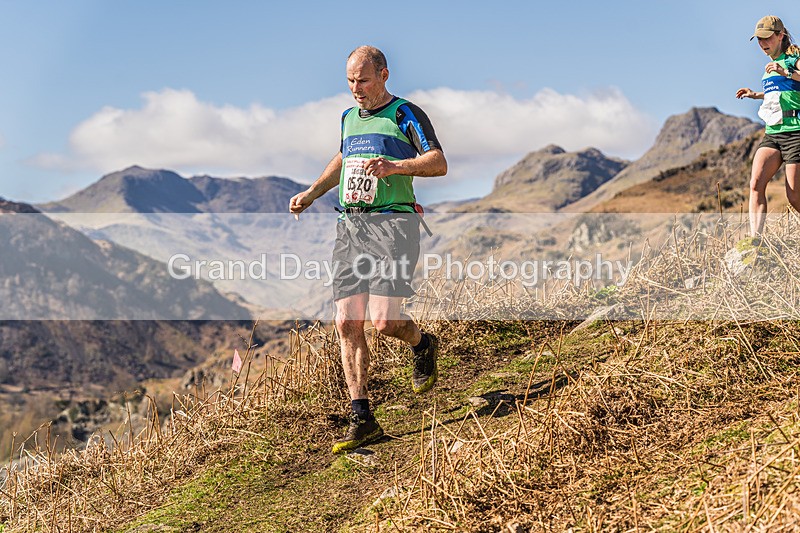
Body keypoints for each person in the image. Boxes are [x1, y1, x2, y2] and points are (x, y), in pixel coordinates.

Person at [289, 46, 447, 453]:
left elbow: (437, 162)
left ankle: (422, 343)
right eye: (349, 81)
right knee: (346, 322)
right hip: (350, 226)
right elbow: (344, 158)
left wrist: (396, 167)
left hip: (394, 225)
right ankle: (362, 416)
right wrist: (311, 192)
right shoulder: (347, 118)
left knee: (384, 322)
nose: (355, 89)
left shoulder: (404, 114)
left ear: (384, 75)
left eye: (363, 80)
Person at [737, 15, 800, 237]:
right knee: (755, 184)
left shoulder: (794, 56)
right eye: (759, 40)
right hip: (773, 133)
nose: (762, 44)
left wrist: (786, 72)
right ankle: (755, 242)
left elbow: (793, 79)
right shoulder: (767, 68)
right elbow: (782, 91)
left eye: (766, 38)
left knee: (794, 197)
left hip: (796, 132)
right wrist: (756, 95)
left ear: (780, 35)